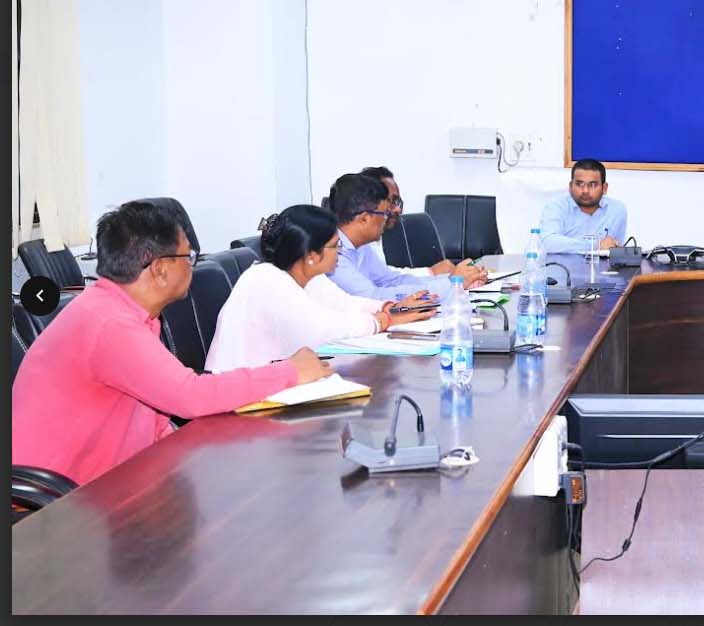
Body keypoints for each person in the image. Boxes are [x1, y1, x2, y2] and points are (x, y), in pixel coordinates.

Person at [11, 201, 333, 486]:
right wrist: (290, 371)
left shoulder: (127, 312)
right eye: (187, 256)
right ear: (161, 270)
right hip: (55, 501)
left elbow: (154, 410)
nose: (192, 264)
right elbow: (190, 395)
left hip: (108, 482)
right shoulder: (109, 323)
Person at [205, 204, 435, 372]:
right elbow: (322, 329)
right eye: (335, 246)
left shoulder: (306, 276)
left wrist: (391, 308)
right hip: (238, 399)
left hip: (270, 385)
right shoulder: (266, 280)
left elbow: (344, 303)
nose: (340, 252)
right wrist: (383, 320)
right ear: (312, 255)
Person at [325, 173, 487, 301]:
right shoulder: (331, 253)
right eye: (384, 213)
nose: (387, 219)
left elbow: (391, 281)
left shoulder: (360, 246)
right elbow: (373, 297)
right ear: (365, 218)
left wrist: (452, 280)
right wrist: (452, 285)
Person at [540, 158, 629, 253]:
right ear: (571, 186)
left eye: (593, 185)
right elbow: (548, 243)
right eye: (579, 184)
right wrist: (596, 245)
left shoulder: (617, 210)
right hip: (561, 263)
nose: (585, 190)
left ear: (604, 188)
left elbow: (616, 250)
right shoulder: (556, 207)